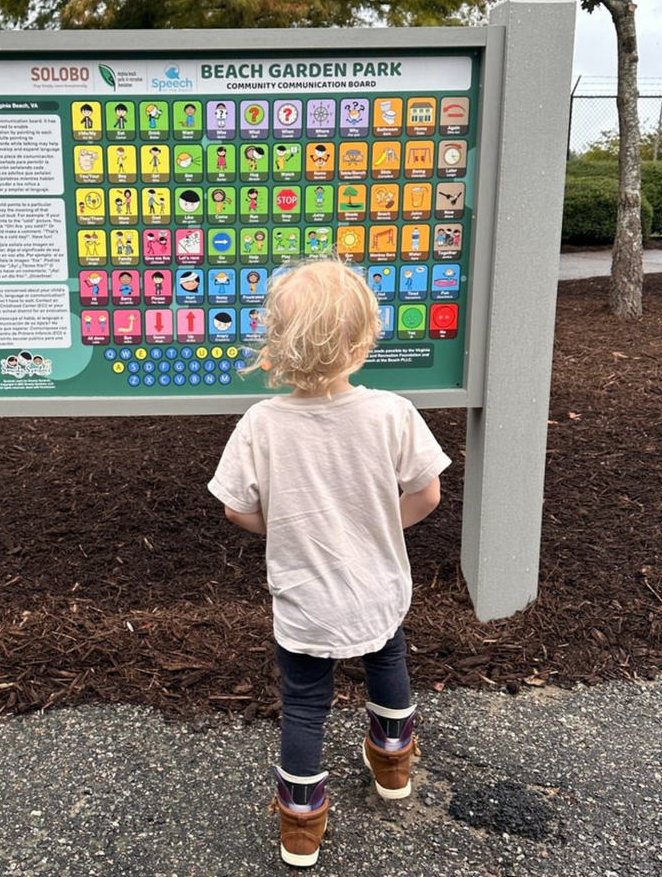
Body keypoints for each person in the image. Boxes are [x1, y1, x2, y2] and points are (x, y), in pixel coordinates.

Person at [207, 257, 449, 868]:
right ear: (364, 339)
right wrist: (370, 525)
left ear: (276, 345)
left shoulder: (262, 424)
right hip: (378, 586)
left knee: (306, 701)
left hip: (304, 595)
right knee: (387, 660)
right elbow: (427, 494)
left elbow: (236, 510)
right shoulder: (392, 412)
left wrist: (287, 527)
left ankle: (300, 825)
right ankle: (393, 763)